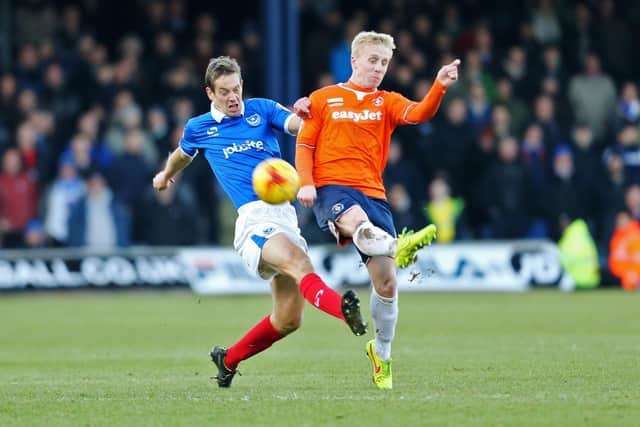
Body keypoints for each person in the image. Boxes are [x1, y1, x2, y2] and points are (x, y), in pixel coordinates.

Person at [152, 56, 367, 388]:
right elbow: (183, 153)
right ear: (210, 92)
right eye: (225, 91)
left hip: (285, 218)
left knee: (288, 319)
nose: (234, 96)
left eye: (237, 87)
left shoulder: (262, 110)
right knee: (299, 262)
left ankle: (228, 359)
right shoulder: (200, 128)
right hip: (254, 221)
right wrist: (166, 174)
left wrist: (308, 113)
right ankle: (344, 309)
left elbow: (296, 125)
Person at [293, 31, 460, 390]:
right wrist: (305, 182)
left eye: (384, 62)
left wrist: (439, 86)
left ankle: (381, 353)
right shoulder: (323, 99)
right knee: (358, 224)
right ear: (354, 60)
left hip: (373, 192)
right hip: (332, 187)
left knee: (386, 283)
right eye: (372, 60)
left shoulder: (386, 101)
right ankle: (399, 246)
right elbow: (305, 143)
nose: (378, 68)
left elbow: (419, 114)